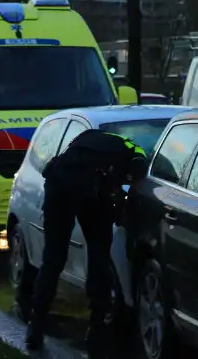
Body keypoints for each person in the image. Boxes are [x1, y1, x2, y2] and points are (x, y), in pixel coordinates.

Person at [24, 129, 148, 355]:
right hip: (89, 184)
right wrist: (121, 204)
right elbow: (131, 178)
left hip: (60, 181)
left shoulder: (90, 139)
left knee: (53, 260)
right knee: (99, 258)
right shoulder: (134, 152)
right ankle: (97, 328)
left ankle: (36, 326)